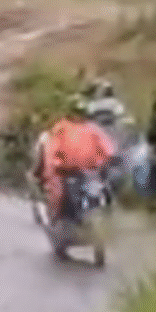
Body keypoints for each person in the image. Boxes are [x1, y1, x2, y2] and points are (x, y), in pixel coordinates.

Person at [34, 95, 116, 223]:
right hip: (64, 171)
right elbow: (51, 150)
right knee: (57, 195)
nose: (77, 116)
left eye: (80, 113)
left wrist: (106, 163)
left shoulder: (90, 129)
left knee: (101, 193)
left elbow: (108, 150)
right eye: (76, 113)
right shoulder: (62, 127)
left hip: (84, 172)